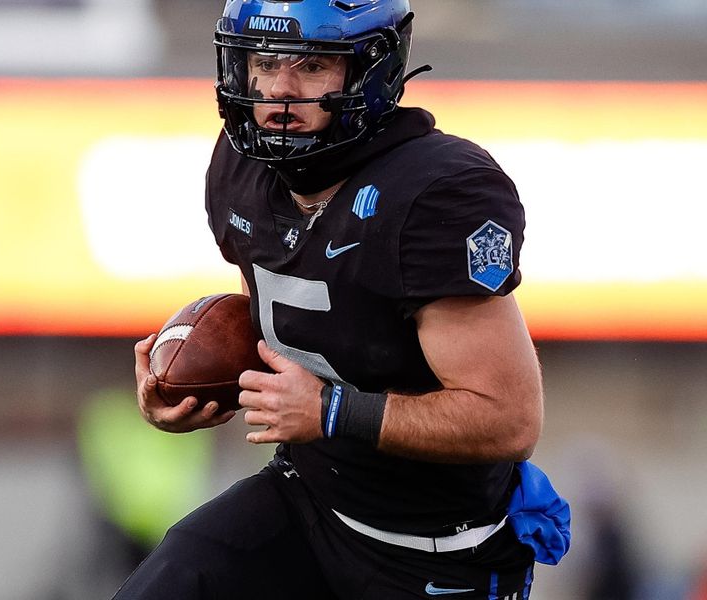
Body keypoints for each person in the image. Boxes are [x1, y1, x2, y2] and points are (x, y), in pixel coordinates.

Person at [115, 1, 569, 598]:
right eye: (265, 63)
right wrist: (196, 382)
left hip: (433, 548)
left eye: (311, 66)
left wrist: (333, 412)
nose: (280, 92)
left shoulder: (436, 193)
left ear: (369, 71)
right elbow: (295, 318)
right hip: (308, 499)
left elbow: (509, 419)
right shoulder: (241, 168)